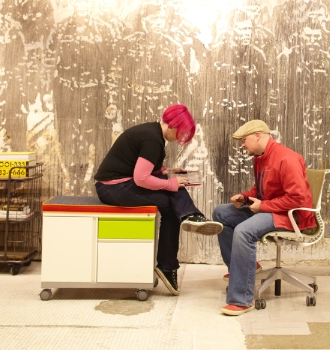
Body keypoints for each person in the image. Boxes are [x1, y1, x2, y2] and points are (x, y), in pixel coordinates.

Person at [94, 104, 223, 296]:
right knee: (169, 203)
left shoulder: (152, 133)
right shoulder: (153, 139)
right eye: (181, 132)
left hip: (119, 183)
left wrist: (169, 172)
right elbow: (141, 178)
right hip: (112, 187)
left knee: (171, 196)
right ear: (172, 125)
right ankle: (171, 258)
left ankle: (184, 230)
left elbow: (144, 169)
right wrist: (171, 183)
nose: (180, 138)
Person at [212, 120, 316, 316]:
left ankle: (242, 300)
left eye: (244, 140)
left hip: (291, 216)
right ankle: (243, 269)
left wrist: (264, 206)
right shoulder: (261, 158)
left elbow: (297, 199)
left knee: (244, 231)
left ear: (258, 135)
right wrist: (245, 197)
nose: (242, 145)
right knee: (221, 213)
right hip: (271, 209)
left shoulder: (287, 159)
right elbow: (261, 190)